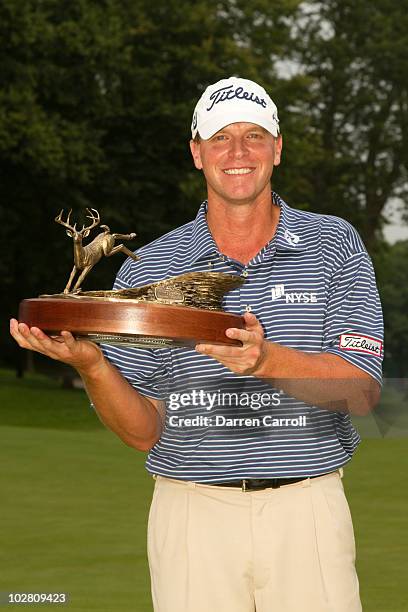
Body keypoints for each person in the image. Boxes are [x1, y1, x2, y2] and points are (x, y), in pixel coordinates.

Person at [11, 76, 383, 612]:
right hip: (190, 515)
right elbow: (142, 432)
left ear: (277, 149)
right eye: (220, 137)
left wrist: (265, 360)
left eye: (254, 135)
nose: (237, 151)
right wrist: (92, 364)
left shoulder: (334, 243)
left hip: (308, 511)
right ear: (196, 153)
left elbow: (363, 394)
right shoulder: (151, 266)